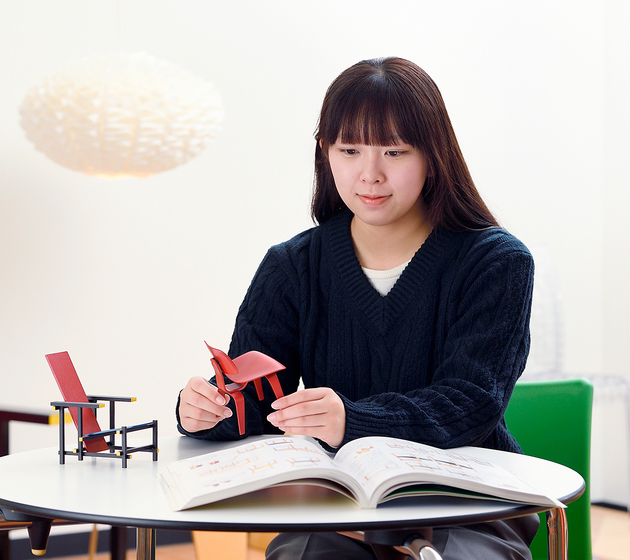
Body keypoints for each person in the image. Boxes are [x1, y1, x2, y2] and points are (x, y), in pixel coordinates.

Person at [176, 57, 539, 559]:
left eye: (395, 151)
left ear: (434, 155)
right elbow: (254, 400)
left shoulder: (495, 262)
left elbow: (471, 401)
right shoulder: (293, 265)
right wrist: (205, 411)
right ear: (324, 153)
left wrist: (353, 419)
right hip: (338, 509)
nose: (370, 175)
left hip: (466, 503)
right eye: (349, 150)